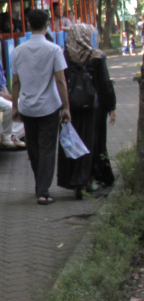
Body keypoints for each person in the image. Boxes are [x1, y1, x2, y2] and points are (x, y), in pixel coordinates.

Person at [11, 8, 71, 205]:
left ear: (28, 24)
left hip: (27, 107)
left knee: (34, 149)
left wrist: (14, 106)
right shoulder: (54, 50)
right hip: (49, 107)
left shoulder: (18, 51)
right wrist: (66, 107)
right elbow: (61, 81)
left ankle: (41, 185)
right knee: (47, 149)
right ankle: (43, 190)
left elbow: (16, 82)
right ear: (47, 25)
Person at [58, 23, 117, 198]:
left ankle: (74, 180)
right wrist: (111, 107)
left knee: (72, 141)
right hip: (94, 108)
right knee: (93, 142)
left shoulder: (65, 55)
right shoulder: (96, 56)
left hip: (71, 106)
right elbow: (105, 84)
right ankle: (92, 178)